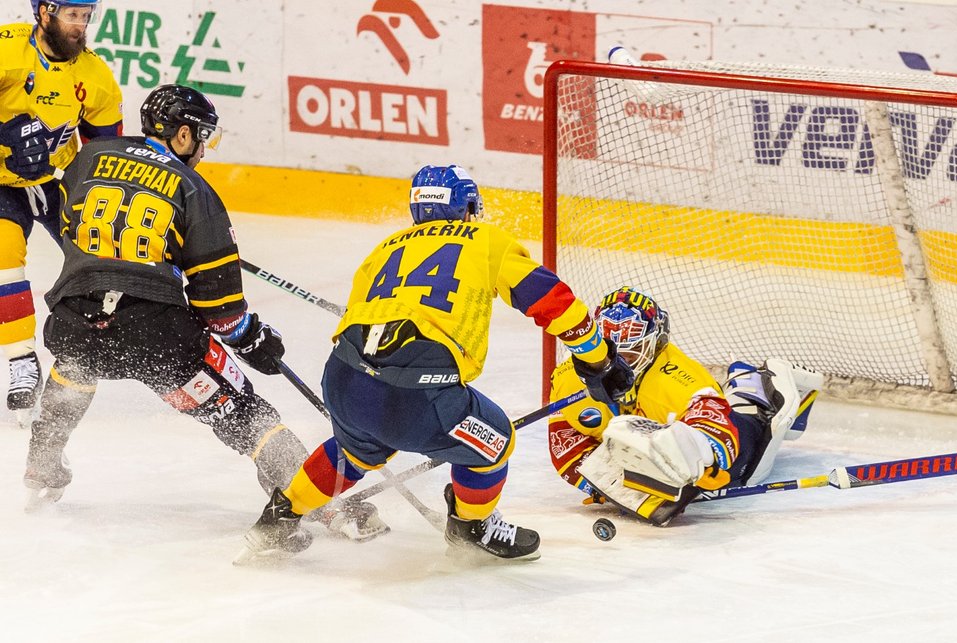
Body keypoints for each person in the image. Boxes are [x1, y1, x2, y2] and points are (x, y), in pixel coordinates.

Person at [21, 84, 382, 541]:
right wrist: (253, 339)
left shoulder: (90, 157)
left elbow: (71, 222)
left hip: (73, 320)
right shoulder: (194, 188)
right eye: (202, 137)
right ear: (183, 135)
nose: (204, 149)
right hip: (157, 340)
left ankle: (41, 463)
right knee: (247, 413)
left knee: (77, 362)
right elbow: (221, 308)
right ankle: (325, 503)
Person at [236, 164, 635, 563]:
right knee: (495, 443)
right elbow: (551, 299)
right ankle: (470, 526)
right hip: (416, 396)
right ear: (467, 206)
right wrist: (599, 361)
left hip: (343, 378)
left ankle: (279, 518)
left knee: (354, 449)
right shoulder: (485, 240)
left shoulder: (386, 247)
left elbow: (356, 313)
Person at [547, 286, 824, 527]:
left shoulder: (678, 378)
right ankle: (742, 380)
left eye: (630, 353)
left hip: (716, 427)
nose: (620, 366)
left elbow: (721, 435)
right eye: (610, 354)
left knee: (746, 471)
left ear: (655, 344)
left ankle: (760, 389)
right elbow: (566, 445)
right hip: (651, 432)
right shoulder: (568, 378)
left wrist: (702, 459)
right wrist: (609, 483)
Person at [0, 0, 123, 422]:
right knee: (3, 259)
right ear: (44, 13)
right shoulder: (6, 53)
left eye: (86, 17)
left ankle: (94, 351)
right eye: (72, 16)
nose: (80, 26)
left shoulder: (95, 76)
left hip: (58, 183)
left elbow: (106, 151)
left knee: (108, 260)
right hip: (1, 184)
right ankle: (20, 359)